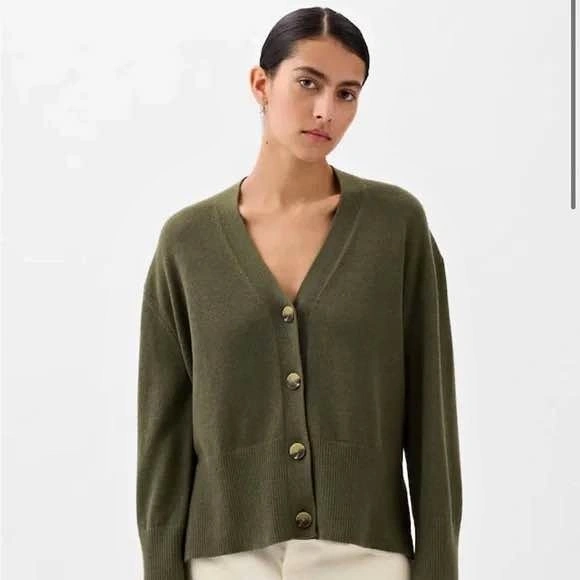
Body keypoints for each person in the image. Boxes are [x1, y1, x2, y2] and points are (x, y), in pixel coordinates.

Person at [136, 6, 462, 580]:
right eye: (308, 83)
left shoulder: (395, 227)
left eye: (346, 93)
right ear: (261, 84)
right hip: (225, 560)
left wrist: (437, 567)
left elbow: (432, 420)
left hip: (364, 556)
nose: (325, 110)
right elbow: (162, 437)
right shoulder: (187, 243)